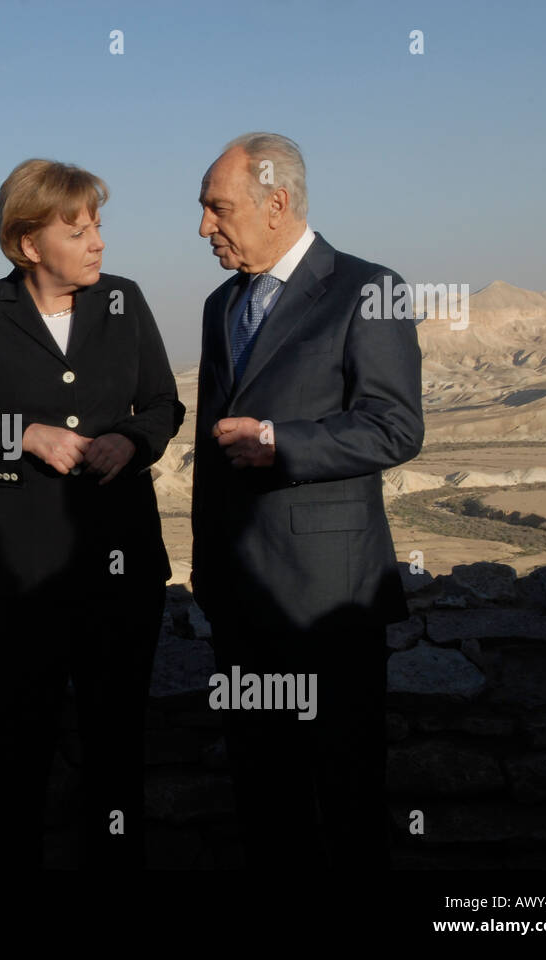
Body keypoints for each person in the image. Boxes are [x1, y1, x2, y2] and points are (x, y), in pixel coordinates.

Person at [0, 158, 185, 868]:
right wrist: (23, 435)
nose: (98, 242)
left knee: (117, 746)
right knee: (17, 748)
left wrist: (130, 442)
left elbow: (164, 405)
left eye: (98, 225)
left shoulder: (125, 301)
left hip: (122, 567)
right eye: (78, 230)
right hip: (22, 573)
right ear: (28, 244)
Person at [191, 132, 424, 868]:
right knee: (263, 794)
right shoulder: (219, 306)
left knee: (347, 791)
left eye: (217, 208)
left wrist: (280, 442)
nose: (204, 227)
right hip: (239, 599)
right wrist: (207, 572)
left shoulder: (366, 288)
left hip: (329, 601)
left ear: (277, 203)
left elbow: (395, 426)